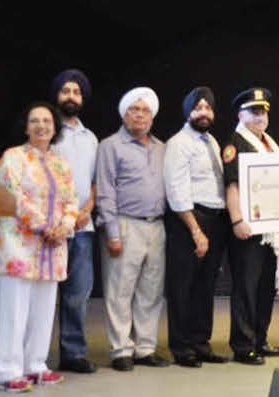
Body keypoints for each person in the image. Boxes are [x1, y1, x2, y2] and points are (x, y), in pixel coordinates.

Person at [0, 102, 78, 392]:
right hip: (18, 247)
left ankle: (35, 365)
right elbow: (15, 198)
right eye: (35, 121)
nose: (41, 126)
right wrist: (45, 226)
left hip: (52, 248)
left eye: (47, 121)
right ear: (25, 127)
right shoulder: (12, 158)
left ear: (55, 127)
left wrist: (65, 224)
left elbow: (71, 200)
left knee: (43, 310)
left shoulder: (61, 163)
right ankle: (8, 372)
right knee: (15, 313)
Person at [96, 87, 169, 371]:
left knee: (151, 292)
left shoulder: (162, 148)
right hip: (125, 224)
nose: (140, 115)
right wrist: (112, 232)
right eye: (133, 110)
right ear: (124, 115)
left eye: (145, 110)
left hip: (156, 226)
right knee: (120, 291)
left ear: (152, 117)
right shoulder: (110, 146)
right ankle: (121, 350)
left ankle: (145, 348)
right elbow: (105, 192)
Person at [223, 88, 279, 365]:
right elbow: (232, 185)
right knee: (246, 287)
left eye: (263, 111)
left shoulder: (268, 143)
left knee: (265, 287)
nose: (260, 116)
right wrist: (237, 220)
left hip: (271, 227)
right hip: (248, 228)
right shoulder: (235, 143)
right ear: (241, 114)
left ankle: (259, 340)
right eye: (254, 111)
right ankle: (242, 345)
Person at [163, 87, 229, 367]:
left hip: (215, 219)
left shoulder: (211, 141)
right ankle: (181, 347)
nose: (203, 113)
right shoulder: (178, 143)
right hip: (189, 220)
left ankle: (201, 343)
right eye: (198, 108)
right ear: (188, 112)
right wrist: (195, 230)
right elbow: (176, 191)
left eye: (208, 108)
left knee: (205, 286)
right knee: (183, 286)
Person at [50, 69, 99, 373]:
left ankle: (73, 354)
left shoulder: (91, 138)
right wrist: (61, 217)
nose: (71, 96)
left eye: (77, 92)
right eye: (66, 91)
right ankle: (33, 357)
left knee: (77, 295)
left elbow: (95, 182)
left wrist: (86, 211)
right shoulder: (47, 131)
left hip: (83, 228)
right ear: (57, 95)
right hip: (51, 228)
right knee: (42, 296)